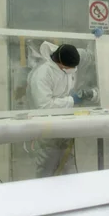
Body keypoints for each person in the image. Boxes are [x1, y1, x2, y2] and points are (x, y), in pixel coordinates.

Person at [26, 41, 92, 177]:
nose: (72, 70)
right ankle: (44, 194)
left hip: (65, 124)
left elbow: (88, 55)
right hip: (47, 127)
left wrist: (97, 39)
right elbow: (44, 106)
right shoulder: (42, 74)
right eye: (69, 67)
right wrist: (71, 100)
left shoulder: (67, 59)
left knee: (68, 162)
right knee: (47, 165)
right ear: (60, 63)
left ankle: (70, 193)